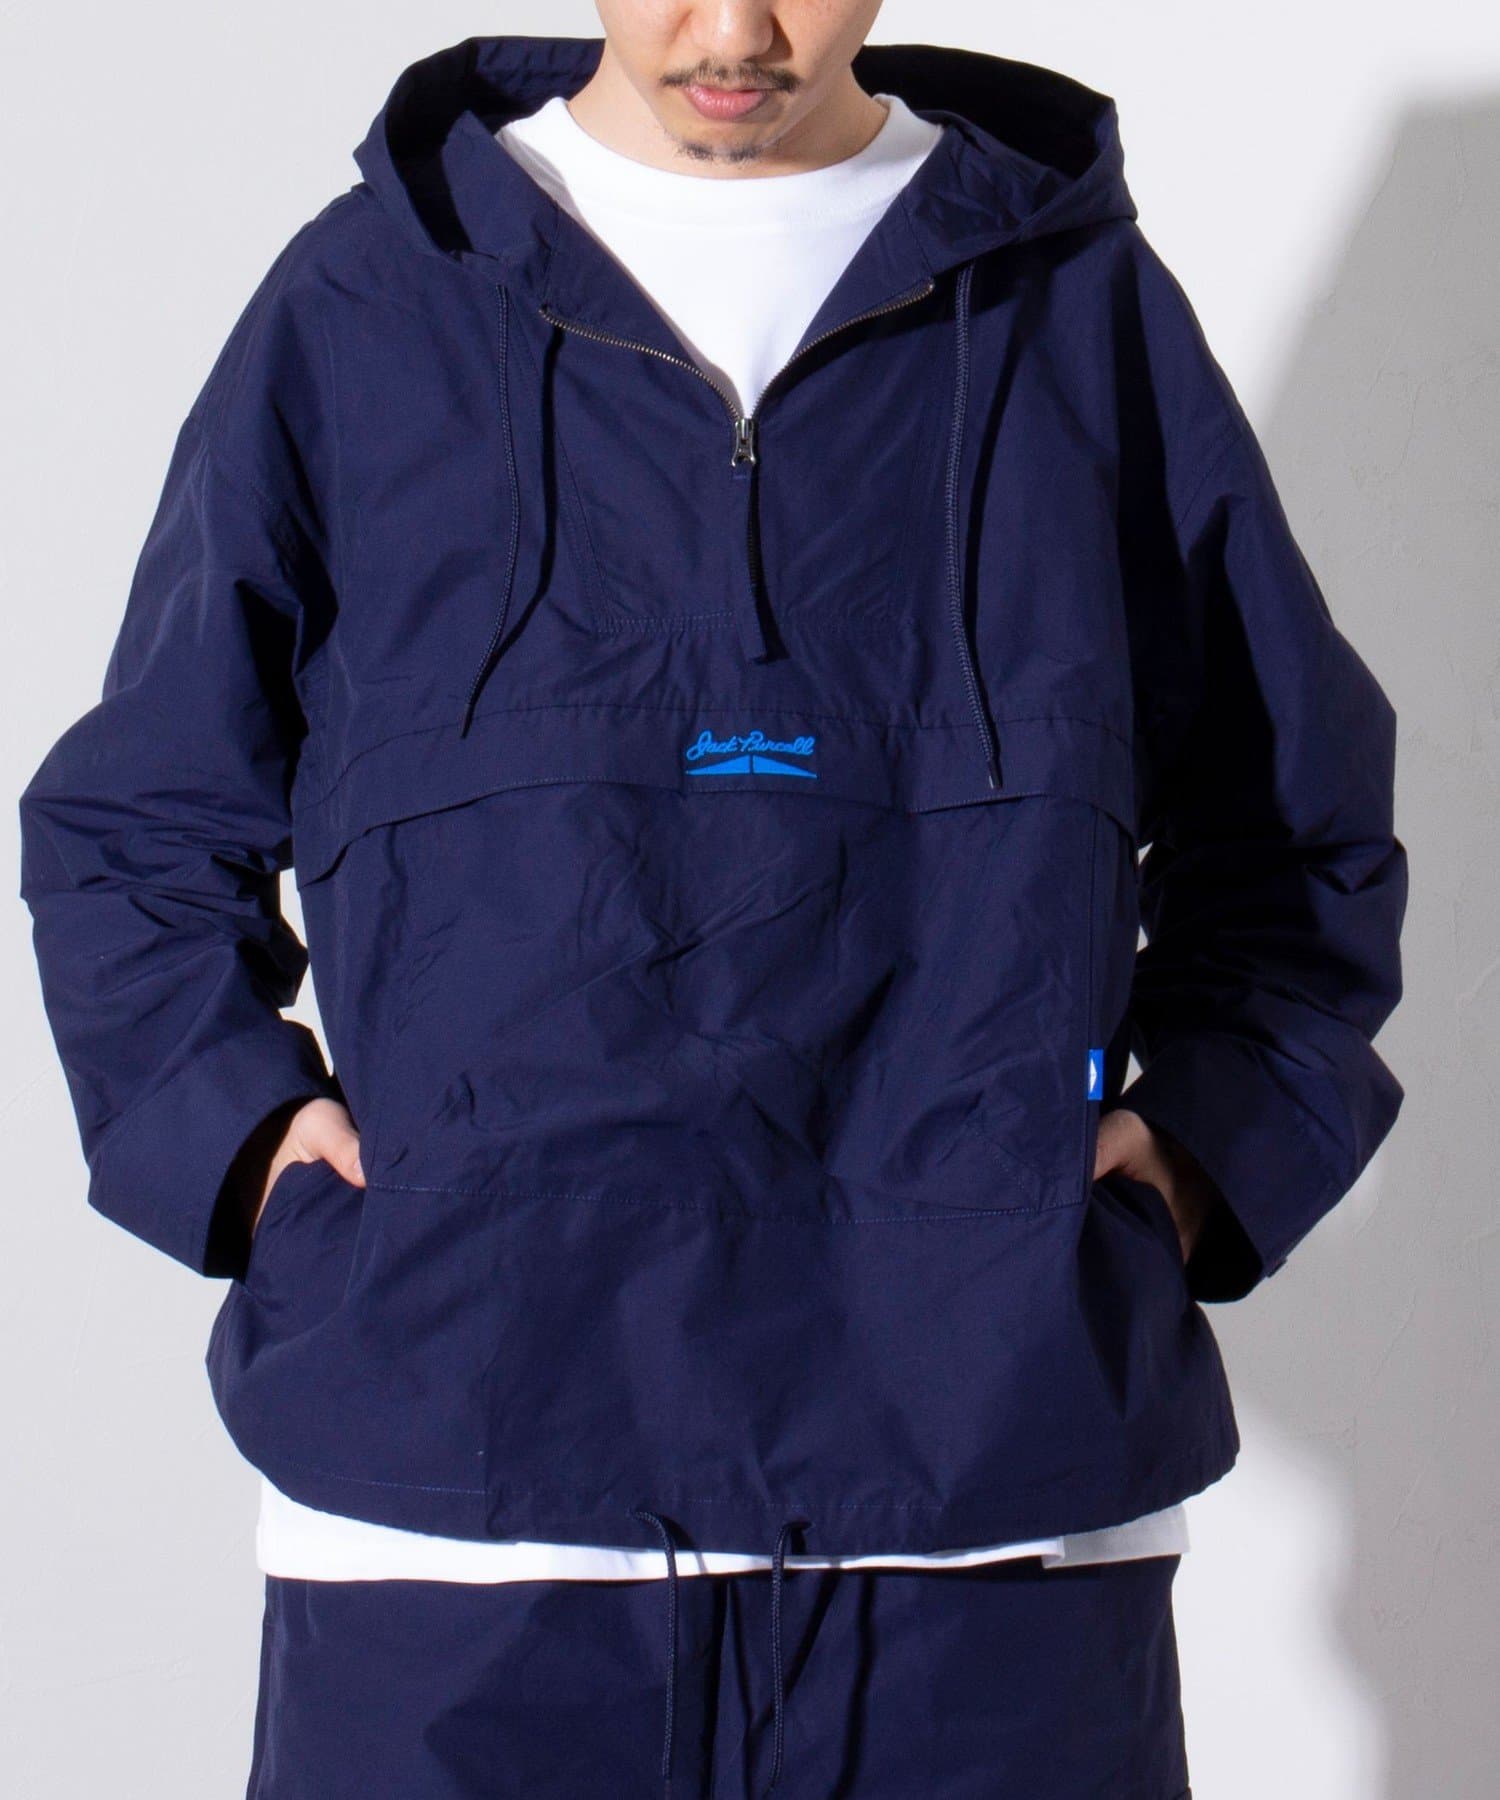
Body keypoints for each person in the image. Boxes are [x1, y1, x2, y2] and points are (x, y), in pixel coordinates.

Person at [17, 9, 1406, 1798]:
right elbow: (136, 823)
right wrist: (243, 1149)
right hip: (460, 1511)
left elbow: (1295, 820)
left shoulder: (1075, 306)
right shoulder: (364, 301)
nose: (735, 29)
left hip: (990, 1511)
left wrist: (1207, 1150)